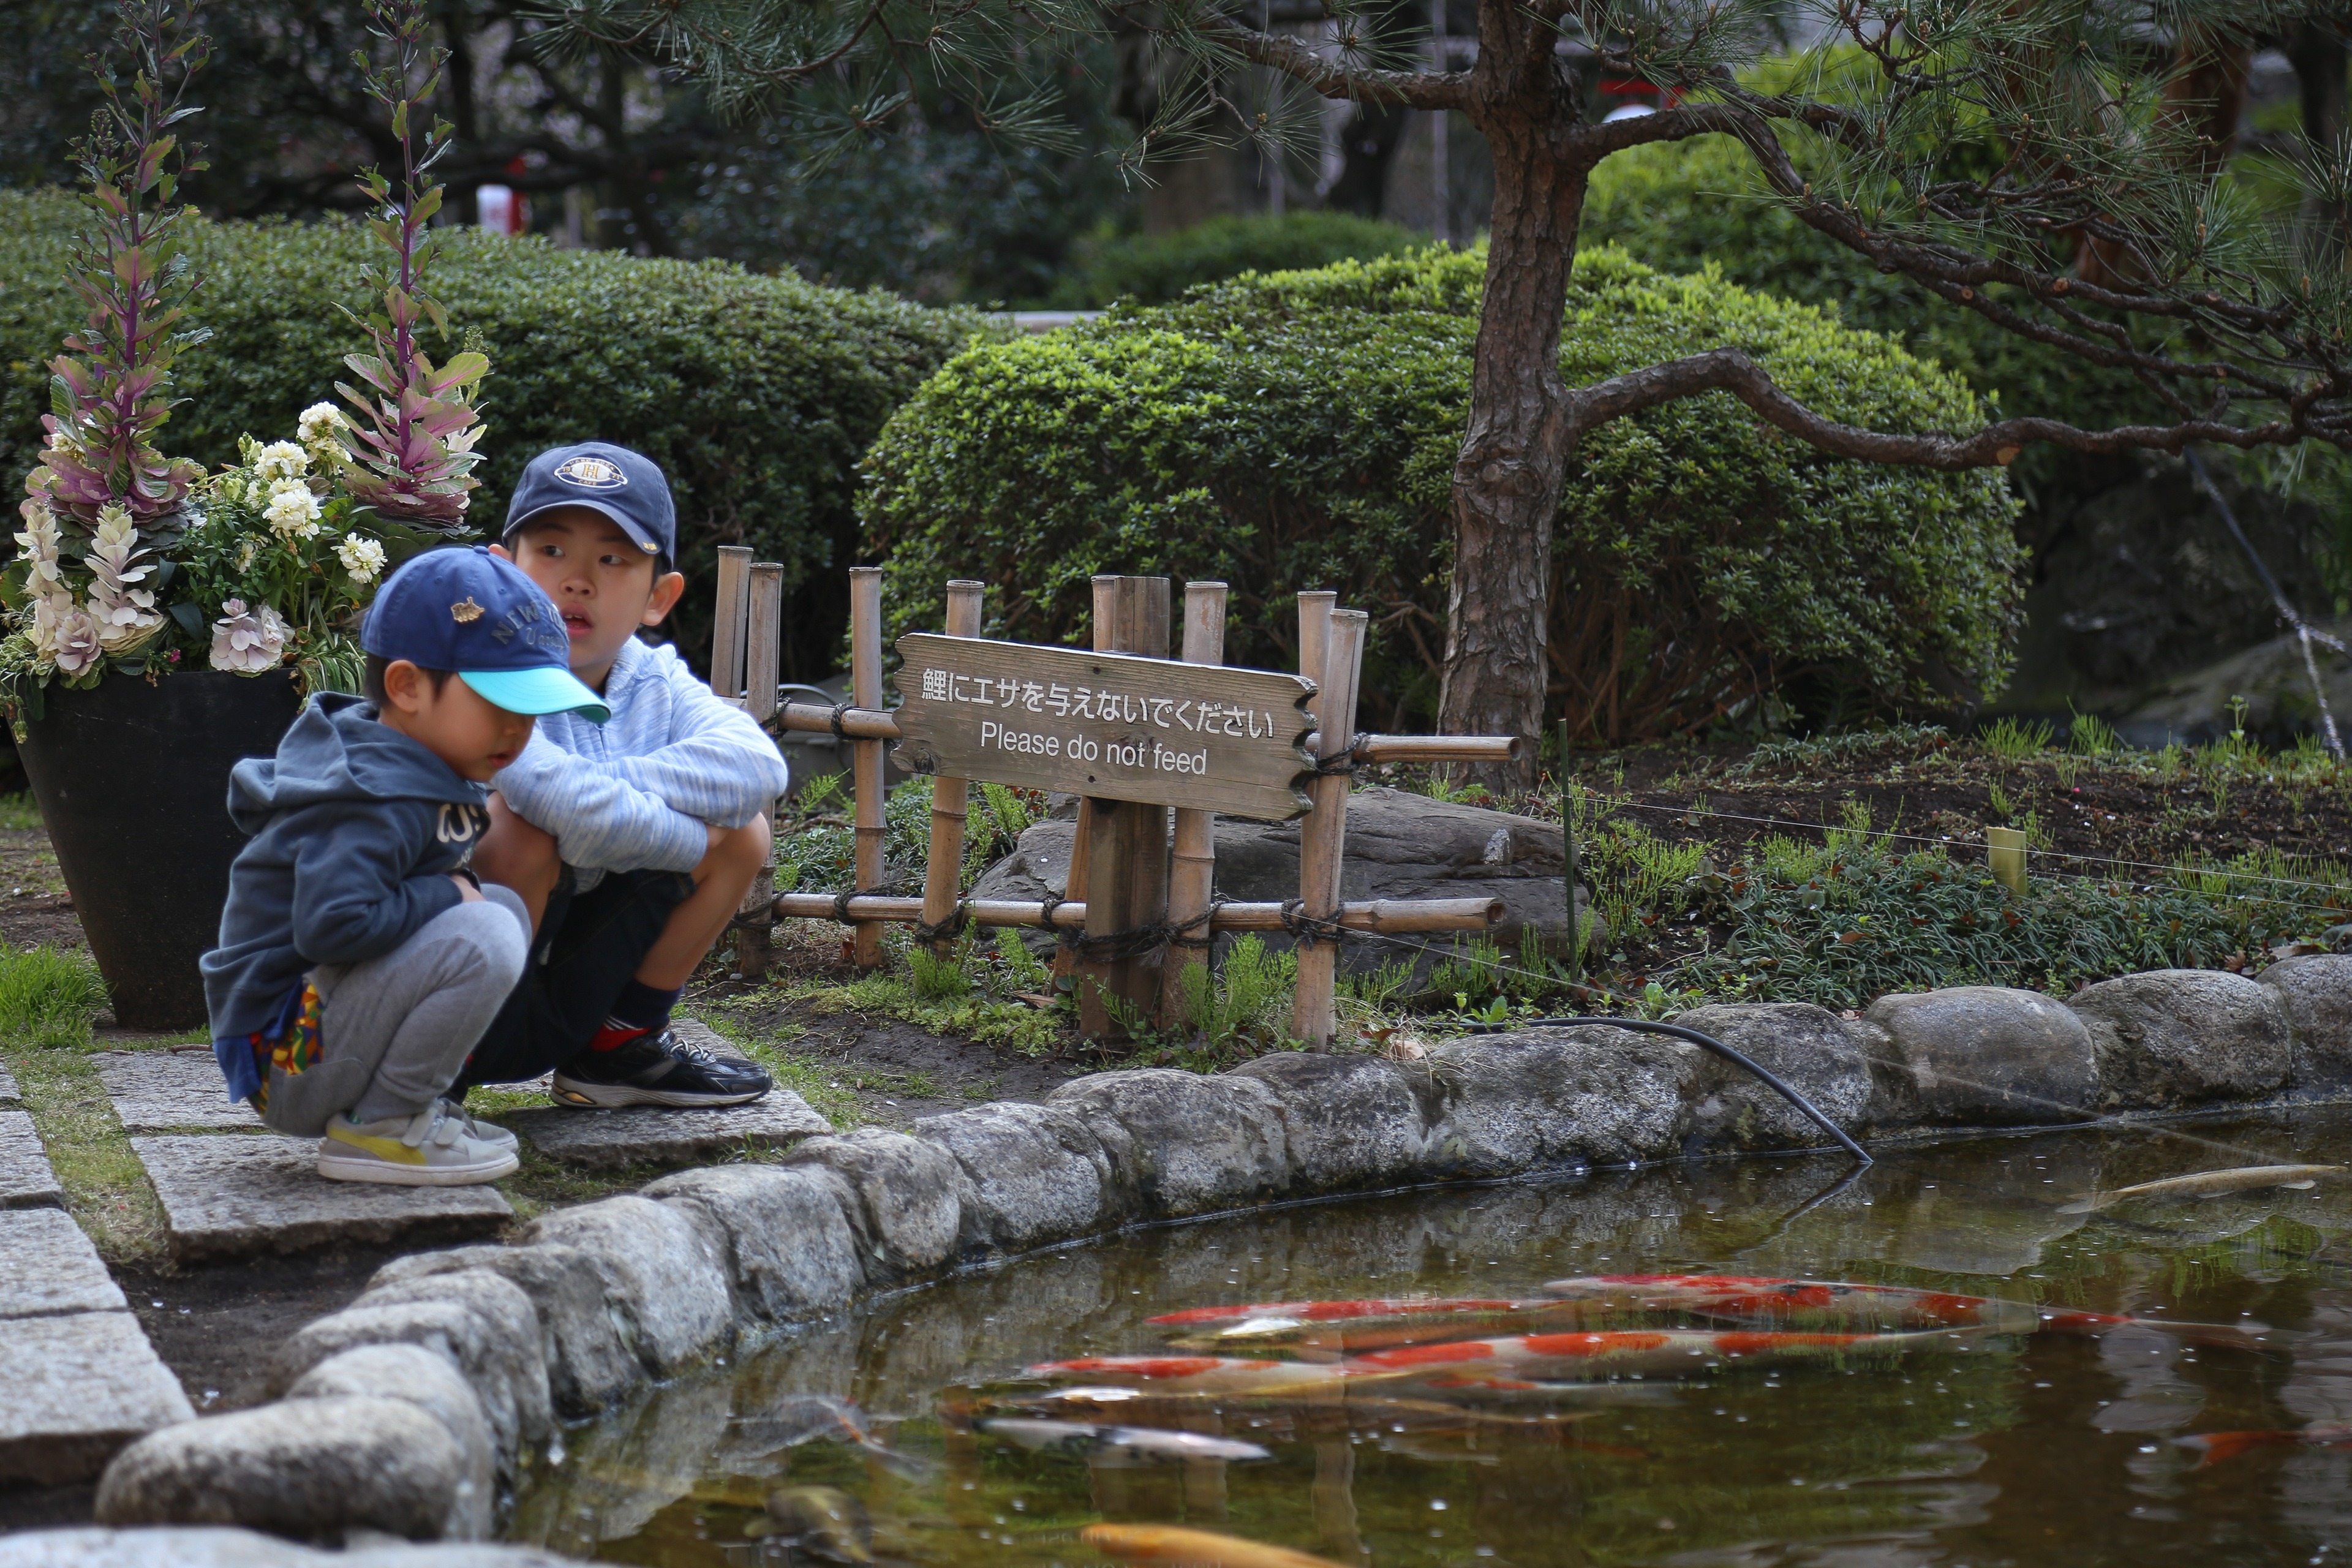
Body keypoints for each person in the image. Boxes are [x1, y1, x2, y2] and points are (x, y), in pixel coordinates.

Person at [202, 547, 612, 1185]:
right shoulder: (370, 795)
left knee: (499, 909)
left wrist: (456, 892)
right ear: (407, 687)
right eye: (500, 706)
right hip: (285, 1057)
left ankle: (406, 1108)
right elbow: (333, 926)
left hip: (308, 1036)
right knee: (487, 928)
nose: (518, 731)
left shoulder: (416, 767)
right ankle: (384, 1126)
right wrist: (449, 894)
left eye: (530, 713)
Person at [461, 441, 787, 1108]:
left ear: (658, 597)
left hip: (583, 950)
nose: (578, 580)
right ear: (504, 573)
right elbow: (548, 797)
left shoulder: (654, 677)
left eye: (612, 560)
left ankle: (617, 1048)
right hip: (460, 978)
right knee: (517, 832)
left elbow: (758, 767)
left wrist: (599, 794)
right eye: (552, 551)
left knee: (746, 832)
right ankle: (433, 1076)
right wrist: (692, 836)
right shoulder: (480, 675)